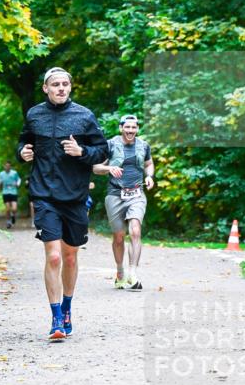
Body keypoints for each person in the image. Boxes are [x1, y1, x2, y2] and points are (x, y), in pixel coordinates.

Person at [17, 67, 108, 340]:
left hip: (75, 195)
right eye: (55, 84)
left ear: (70, 87)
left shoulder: (84, 116)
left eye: (65, 84)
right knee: (54, 256)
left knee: (69, 256)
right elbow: (24, 142)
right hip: (44, 194)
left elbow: (102, 151)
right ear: (46, 88)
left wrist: (82, 152)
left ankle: (67, 307)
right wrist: (22, 152)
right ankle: (56, 318)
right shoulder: (34, 115)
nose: (61, 88)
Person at [93, 114, 154, 290]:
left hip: (136, 194)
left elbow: (149, 164)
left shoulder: (143, 145)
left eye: (134, 127)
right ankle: (120, 271)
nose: (130, 130)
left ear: (137, 129)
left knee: (135, 231)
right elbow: (96, 168)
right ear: (121, 128)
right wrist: (109, 168)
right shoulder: (110, 145)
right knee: (119, 236)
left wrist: (149, 176)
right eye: (127, 127)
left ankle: (132, 273)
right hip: (115, 194)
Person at [0, 161, 21, 228]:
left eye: (9, 166)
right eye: (6, 166)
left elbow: (19, 179)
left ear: (10, 166)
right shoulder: (1, 174)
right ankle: (8, 222)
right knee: (7, 209)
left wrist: (17, 184)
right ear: (4, 166)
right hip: (5, 192)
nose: (7, 167)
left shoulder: (14, 173)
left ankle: (13, 216)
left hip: (13, 192)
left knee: (14, 209)